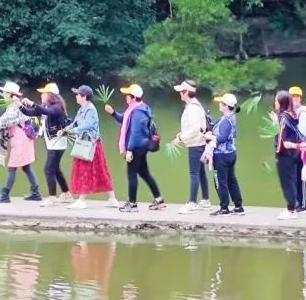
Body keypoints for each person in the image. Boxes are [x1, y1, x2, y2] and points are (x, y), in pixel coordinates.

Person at [105, 84, 165, 212]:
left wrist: (129, 150)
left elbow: (135, 133)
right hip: (141, 146)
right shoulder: (138, 108)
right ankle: (159, 200)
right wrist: (113, 113)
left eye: (127, 95)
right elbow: (126, 122)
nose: (125, 97)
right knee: (144, 173)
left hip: (137, 147)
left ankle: (132, 204)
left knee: (131, 174)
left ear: (132, 97)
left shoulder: (137, 112)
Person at [63, 86, 119, 210]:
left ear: (84, 97)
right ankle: (112, 199)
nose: (76, 96)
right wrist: (67, 129)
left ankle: (81, 201)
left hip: (91, 145)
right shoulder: (82, 109)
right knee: (100, 171)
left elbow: (88, 125)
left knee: (86, 171)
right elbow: (76, 122)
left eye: (78, 94)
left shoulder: (91, 109)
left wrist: (72, 131)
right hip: (86, 143)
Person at [0, 81, 42, 204]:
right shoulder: (16, 104)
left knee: (12, 167)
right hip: (25, 139)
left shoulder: (13, 107)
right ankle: (36, 193)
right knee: (26, 167)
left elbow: (2, 122)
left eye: (5, 92)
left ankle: (5, 195)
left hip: (21, 140)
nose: (3, 94)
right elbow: (3, 121)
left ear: (10, 94)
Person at [20, 83, 71, 207]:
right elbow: (31, 112)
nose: (41, 95)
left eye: (44, 93)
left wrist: (32, 103)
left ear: (50, 95)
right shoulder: (45, 105)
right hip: (51, 143)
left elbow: (47, 112)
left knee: (48, 169)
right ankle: (66, 194)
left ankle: (52, 198)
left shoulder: (57, 107)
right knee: (56, 169)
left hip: (58, 143)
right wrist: (20, 106)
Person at [170, 79, 211, 212]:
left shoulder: (192, 108)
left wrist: (181, 137)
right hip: (199, 143)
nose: (180, 94)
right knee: (201, 173)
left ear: (186, 92)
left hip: (196, 145)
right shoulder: (194, 105)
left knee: (194, 173)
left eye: (181, 91)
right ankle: (205, 200)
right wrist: (182, 135)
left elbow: (195, 128)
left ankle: (192, 202)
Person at [205, 93, 244, 216]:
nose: (219, 105)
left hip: (221, 156)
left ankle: (224, 208)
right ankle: (238, 206)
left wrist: (209, 136)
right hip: (231, 154)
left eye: (221, 103)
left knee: (219, 182)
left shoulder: (226, 120)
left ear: (226, 106)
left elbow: (221, 138)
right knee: (232, 180)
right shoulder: (231, 117)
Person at [273, 90, 304, 220]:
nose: (274, 103)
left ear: (281, 103)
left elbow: (281, 138)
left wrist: (277, 153)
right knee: (292, 180)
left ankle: (291, 210)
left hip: (285, 154)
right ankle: (293, 206)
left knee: (286, 182)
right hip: (294, 153)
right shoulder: (293, 114)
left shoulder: (282, 117)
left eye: (276, 100)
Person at [290, 86, 306, 212]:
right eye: (292, 97)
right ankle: (299, 202)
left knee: (302, 177)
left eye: (297, 97)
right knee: (295, 177)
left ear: (300, 98)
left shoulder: (302, 113)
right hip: (293, 149)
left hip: (302, 149)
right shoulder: (290, 113)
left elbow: (302, 133)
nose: (295, 99)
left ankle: (305, 205)